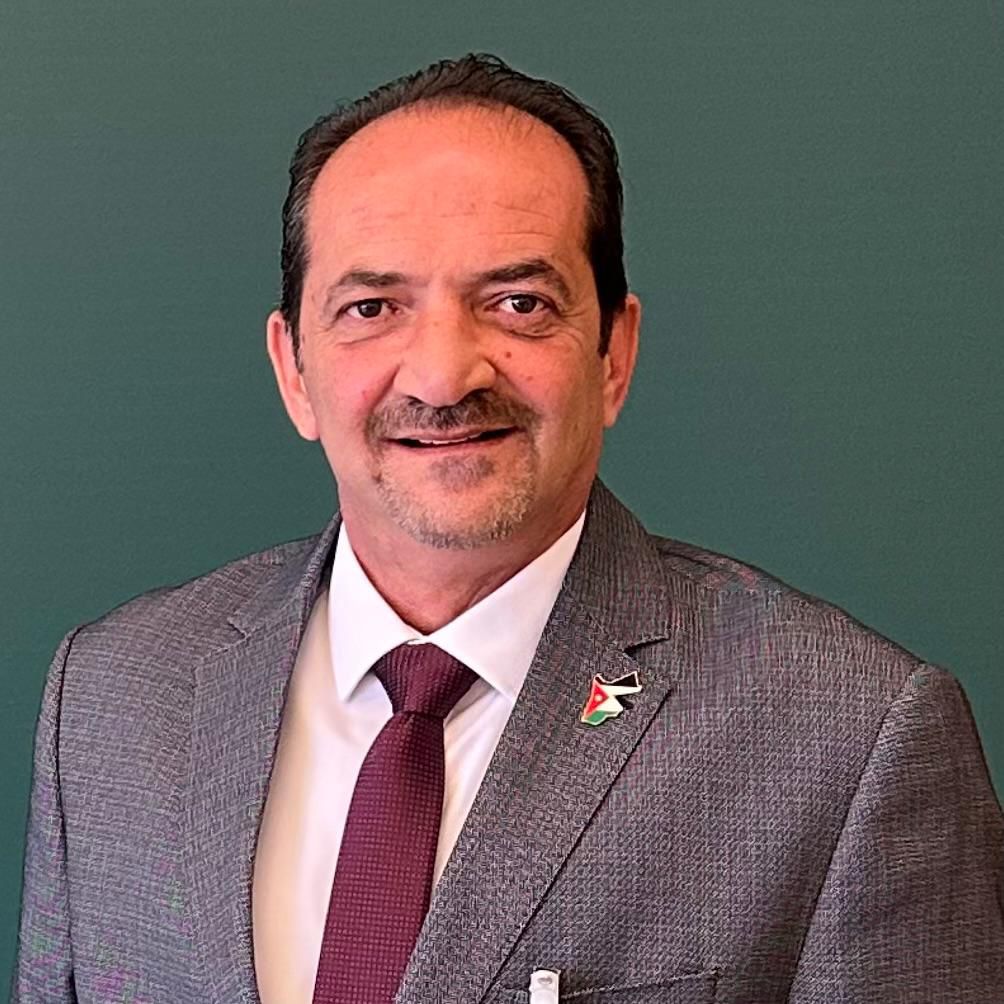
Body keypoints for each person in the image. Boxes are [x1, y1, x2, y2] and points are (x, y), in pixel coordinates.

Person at [12, 53, 1003, 1004]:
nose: (443, 375)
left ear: (613, 353)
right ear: (293, 369)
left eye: (518, 303)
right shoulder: (108, 699)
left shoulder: (852, 736)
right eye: (371, 306)